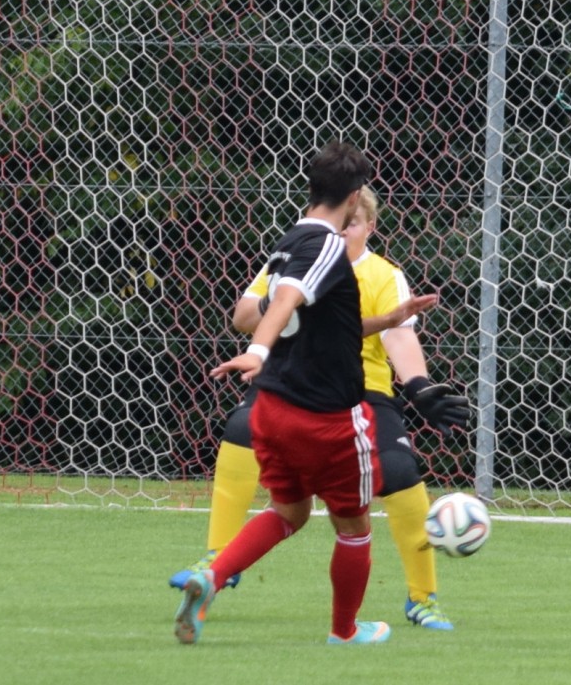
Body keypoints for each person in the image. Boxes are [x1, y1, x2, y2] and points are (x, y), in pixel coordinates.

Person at [170, 186, 472, 631]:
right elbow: (244, 316)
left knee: (400, 471)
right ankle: (218, 560)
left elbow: (397, 334)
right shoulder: (298, 259)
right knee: (240, 428)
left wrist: (419, 386)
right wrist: (288, 295)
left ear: (370, 227)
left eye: (355, 225)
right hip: (294, 384)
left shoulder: (383, 275)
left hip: (360, 392)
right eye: (342, 224)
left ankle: (423, 598)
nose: (345, 231)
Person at [176, 139, 385, 646]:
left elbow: (294, 313)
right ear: (354, 198)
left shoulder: (288, 242)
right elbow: (288, 298)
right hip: (327, 417)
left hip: (271, 408)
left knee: (290, 512)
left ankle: (213, 576)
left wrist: (389, 319)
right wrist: (258, 350)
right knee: (354, 528)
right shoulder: (329, 245)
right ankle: (344, 631)